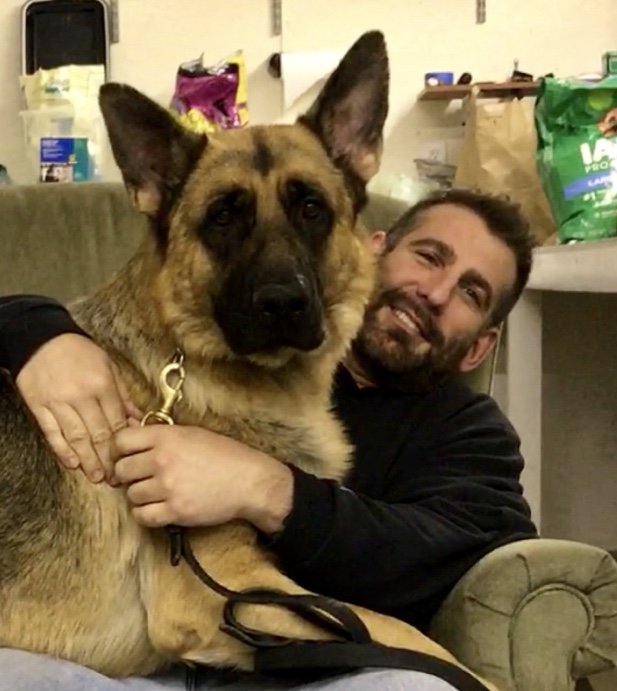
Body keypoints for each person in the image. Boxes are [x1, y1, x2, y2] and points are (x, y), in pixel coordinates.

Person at [0, 189, 538, 691]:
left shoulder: (471, 432)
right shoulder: (237, 347)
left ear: (480, 348)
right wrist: (41, 332)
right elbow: (129, 324)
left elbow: (441, 550)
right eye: (429, 256)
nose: (436, 293)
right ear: (369, 250)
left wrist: (268, 490)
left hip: (313, 675)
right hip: (115, 662)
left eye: (471, 292)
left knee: (418, 688)